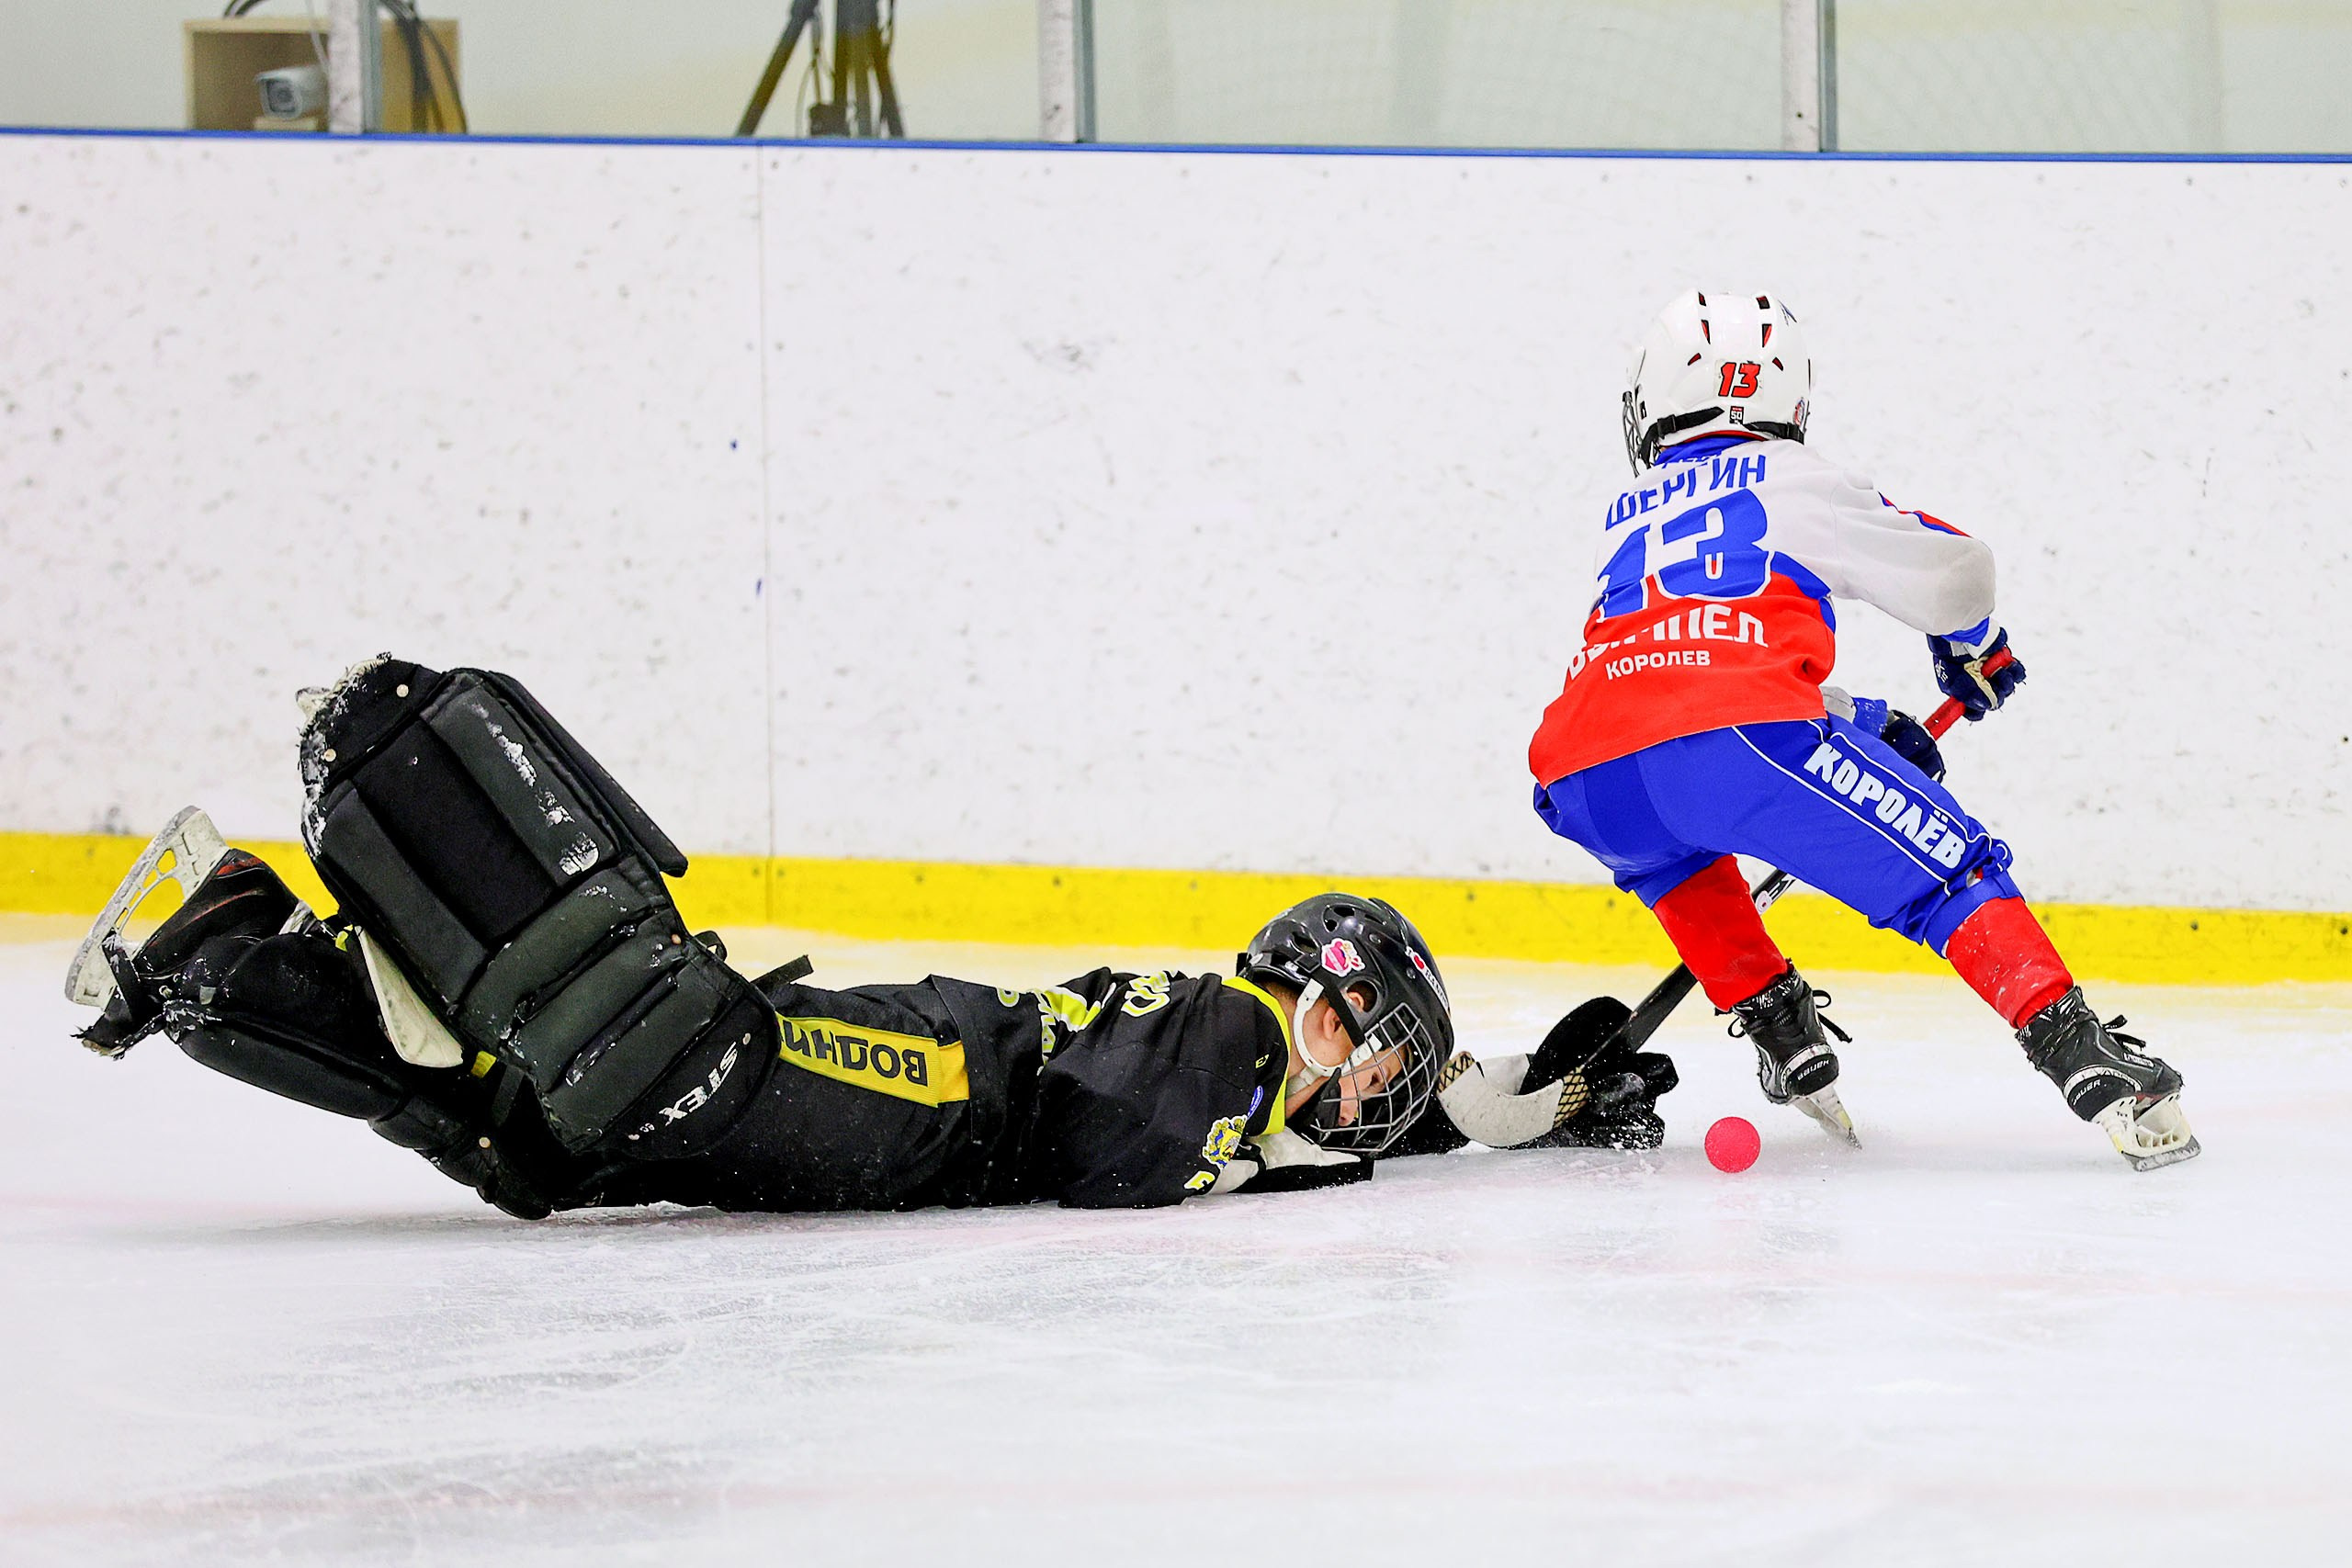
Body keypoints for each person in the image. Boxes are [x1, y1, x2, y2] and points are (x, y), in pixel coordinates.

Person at [62, 658, 1676, 1220]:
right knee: (668, 1057)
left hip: (941, 1112)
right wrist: (1408, 1132)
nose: (1366, 1084)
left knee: (546, 1150)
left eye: (1384, 1067)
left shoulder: (1258, 1078)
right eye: (1369, 1040)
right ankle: (386, 834)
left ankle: (226, 953)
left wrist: (1533, 1100)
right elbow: (1117, 1144)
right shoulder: (1229, 1037)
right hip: (945, 1080)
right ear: (1310, 992)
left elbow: (1353, 1134)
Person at [1526, 289, 2198, 1170]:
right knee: (1947, 868)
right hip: (1735, 744)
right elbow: (1957, 574)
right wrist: (1973, 647)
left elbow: (1681, 666)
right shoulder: (1800, 477)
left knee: (1677, 863)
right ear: (1789, 402)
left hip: (1583, 775)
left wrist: (1872, 721)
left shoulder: (1631, 513)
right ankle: (2079, 1050)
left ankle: (1781, 1025)